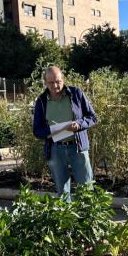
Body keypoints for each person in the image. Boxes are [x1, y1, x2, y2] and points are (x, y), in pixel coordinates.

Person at [32, 66, 97, 197]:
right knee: (62, 192)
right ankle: (66, 216)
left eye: (58, 81)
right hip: (56, 149)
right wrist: (50, 130)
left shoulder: (76, 94)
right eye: (51, 82)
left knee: (86, 188)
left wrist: (79, 124)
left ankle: (88, 216)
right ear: (45, 82)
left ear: (63, 79)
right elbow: (37, 130)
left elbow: (92, 117)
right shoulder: (41, 101)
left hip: (78, 147)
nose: (55, 85)